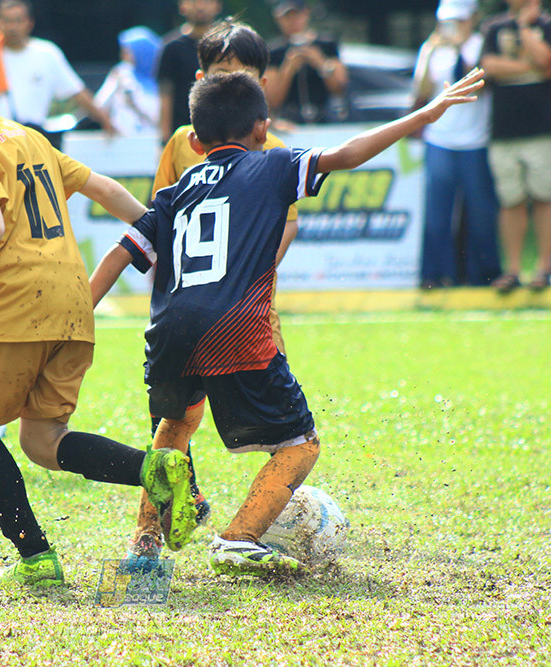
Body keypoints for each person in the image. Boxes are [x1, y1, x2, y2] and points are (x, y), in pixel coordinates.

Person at [89, 69, 484, 576]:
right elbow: (348, 153)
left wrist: (78, 314)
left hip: (166, 334)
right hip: (234, 333)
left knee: (175, 425)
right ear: (262, 129)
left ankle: (144, 544)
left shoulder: (176, 190)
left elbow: (121, 255)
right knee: (301, 444)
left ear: (192, 139)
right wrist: (425, 115)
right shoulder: (273, 166)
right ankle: (239, 537)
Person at [0, 15, 198, 586]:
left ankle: (37, 561)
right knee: (42, 440)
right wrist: (162, 237)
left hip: (16, 305)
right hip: (73, 304)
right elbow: (104, 188)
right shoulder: (29, 136)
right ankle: (156, 468)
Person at [130, 19, 301, 563]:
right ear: (202, 79)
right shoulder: (184, 146)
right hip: (202, 303)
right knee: (198, 420)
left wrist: (247, 273)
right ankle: (217, 520)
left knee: (190, 414)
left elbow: (285, 224)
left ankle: (157, 532)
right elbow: (157, 210)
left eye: (243, 73)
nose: (232, 81)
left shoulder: (270, 150)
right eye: (223, 73)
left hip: (238, 304)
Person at [413, 0, 500, 288]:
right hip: (440, 140)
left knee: (481, 212)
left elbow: (478, 82)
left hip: (476, 141)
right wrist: (429, 53)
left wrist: (461, 48)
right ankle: (434, 275)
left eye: (459, 20)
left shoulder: (481, 45)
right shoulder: (434, 48)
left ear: (472, 19)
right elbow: (421, 91)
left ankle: (483, 274)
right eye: (449, 21)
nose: (453, 27)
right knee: (437, 214)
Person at [480, 0, 551, 293]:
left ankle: (544, 267)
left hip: (544, 129)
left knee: (545, 197)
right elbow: (488, 67)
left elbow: (546, 63)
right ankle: (512, 270)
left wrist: (524, 28)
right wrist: (528, 66)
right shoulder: (493, 27)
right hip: (504, 131)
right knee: (510, 201)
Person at [0, 0, 114, 149]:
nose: (13, 27)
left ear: (29, 23)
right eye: (7, 21)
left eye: (18, 21)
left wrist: (105, 121)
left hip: (32, 140)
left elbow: (77, 91)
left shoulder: (47, 53)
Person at [265, 0, 349, 126]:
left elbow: (340, 87)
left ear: (306, 14)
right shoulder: (274, 51)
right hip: (290, 121)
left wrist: (321, 63)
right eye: (287, 17)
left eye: (296, 15)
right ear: (278, 19)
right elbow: (272, 100)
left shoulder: (326, 44)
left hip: (324, 118)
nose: (293, 21)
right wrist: (288, 69)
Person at [156, 0, 222, 140]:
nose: (200, 6)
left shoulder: (227, 46)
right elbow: (165, 95)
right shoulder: (172, 47)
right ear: (182, 6)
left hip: (223, 135)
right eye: (193, 2)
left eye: (206, 2)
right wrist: (165, 140)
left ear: (217, 5)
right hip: (183, 135)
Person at [93, 26, 162, 137]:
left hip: (154, 144)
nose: (123, 56)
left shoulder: (164, 77)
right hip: (123, 144)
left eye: (128, 52)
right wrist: (108, 124)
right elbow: (99, 104)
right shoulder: (121, 73)